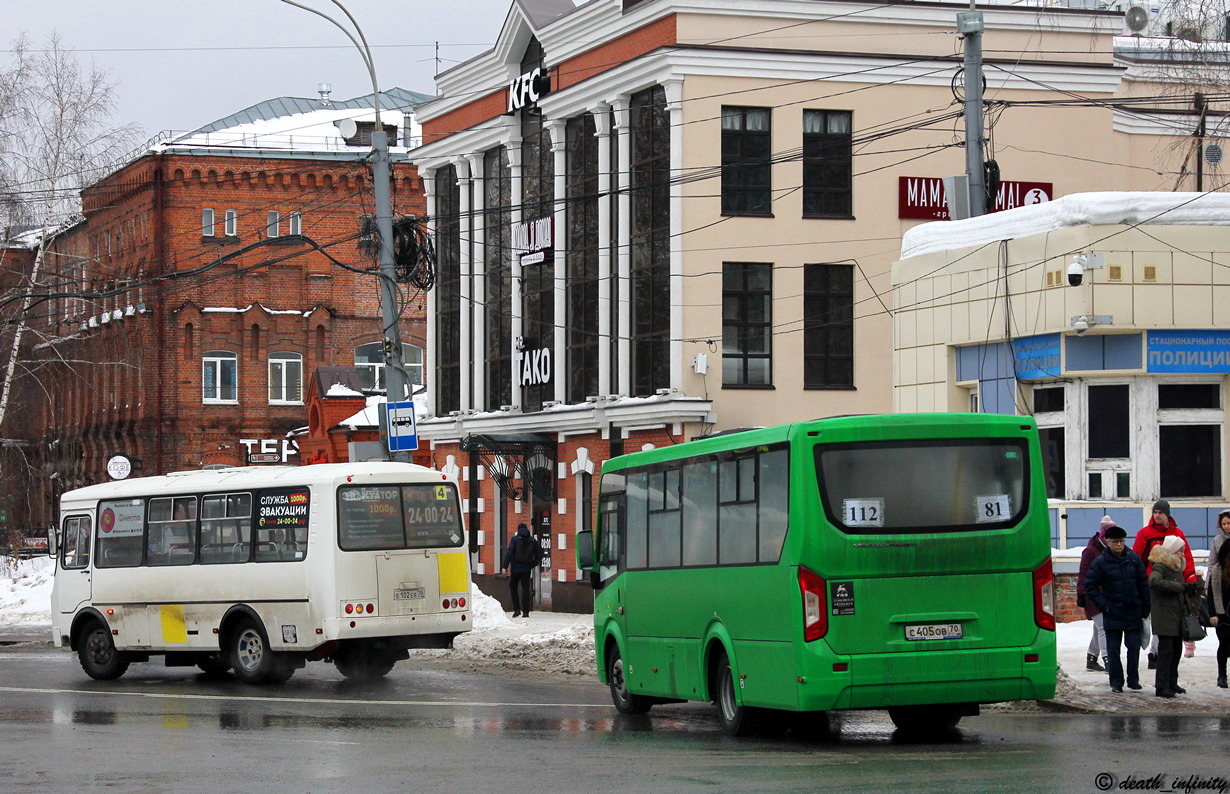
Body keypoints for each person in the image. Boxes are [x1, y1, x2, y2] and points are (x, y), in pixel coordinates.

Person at [1085, 525, 1150, 694]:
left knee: (1133, 647)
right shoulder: (1101, 562)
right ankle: (1116, 681)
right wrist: (1104, 606)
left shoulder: (1133, 559)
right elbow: (1090, 586)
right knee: (1113, 650)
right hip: (1112, 612)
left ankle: (1133, 680)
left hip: (1132, 611)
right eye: (1115, 542)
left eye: (1121, 541)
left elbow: (1143, 584)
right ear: (1108, 542)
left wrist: (1145, 607)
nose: (1119, 545)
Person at [1133, 500, 1197, 668]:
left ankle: (1165, 664)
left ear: (1167, 514)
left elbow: (1187, 559)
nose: (1157, 515)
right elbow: (1137, 560)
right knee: (1157, 622)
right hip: (1154, 586)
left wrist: (1190, 580)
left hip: (1175, 586)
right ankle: (1154, 654)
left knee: (1173, 627)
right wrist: (1137, 583)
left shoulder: (1178, 533)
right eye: (1155, 512)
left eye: (1160, 512)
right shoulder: (1145, 534)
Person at [1147, 534, 1190, 698]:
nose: (1182, 554)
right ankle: (1161, 685)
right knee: (1166, 652)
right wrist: (1178, 586)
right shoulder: (1161, 566)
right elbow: (1154, 582)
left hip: (1175, 613)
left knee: (1176, 650)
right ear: (1172, 551)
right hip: (1164, 614)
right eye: (1180, 551)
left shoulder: (1176, 566)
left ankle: (1172, 682)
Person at [1076, 516, 1114, 672]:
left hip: (1106, 595)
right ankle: (1108, 660)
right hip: (1092, 596)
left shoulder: (1110, 551)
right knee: (1104, 627)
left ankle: (1091, 658)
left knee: (1098, 628)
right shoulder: (1091, 551)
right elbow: (1083, 573)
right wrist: (1081, 594)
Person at [1208, 510, 1230, 688]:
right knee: (1224, 641)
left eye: (1229, 523)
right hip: (1222, 599)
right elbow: (1212, 563)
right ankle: (1221, 675)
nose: (1227, 526)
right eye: (1224, 524)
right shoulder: (1217, 540)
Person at [501, 522, 542, 618]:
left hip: (515, 569)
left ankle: (516, 609)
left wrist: (505, 566)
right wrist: (533, 564)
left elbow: (509, 553)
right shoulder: (532, 541)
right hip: (526, 570)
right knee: (526, 590)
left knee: (513, 588)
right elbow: (539, 554)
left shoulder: (515, 540)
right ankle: (526, 612)